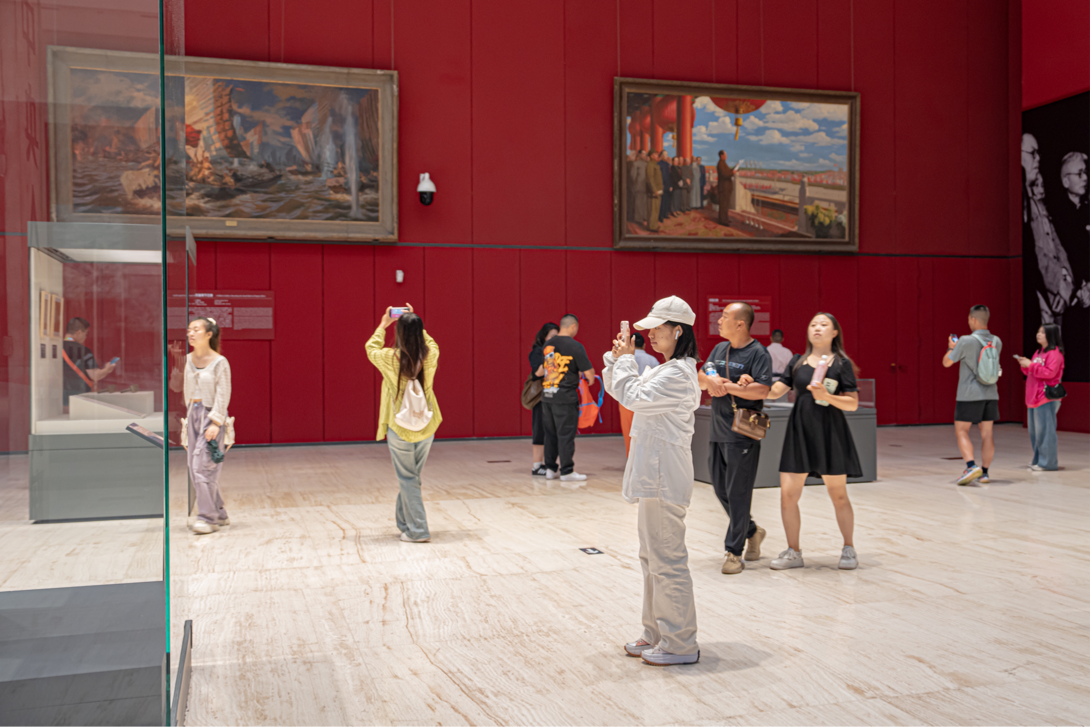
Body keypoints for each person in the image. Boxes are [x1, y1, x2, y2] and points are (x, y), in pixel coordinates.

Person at [602, 296, 702, 666]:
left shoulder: (678, 374)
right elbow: (621, 390)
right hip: (654, 477)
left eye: (658, 327)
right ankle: (657, 632)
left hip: (664, 478)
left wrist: (626, 361)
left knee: (667, 559)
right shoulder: (666, 369)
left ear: (678, 331)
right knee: (652, 558)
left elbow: (634, 396)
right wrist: (616, 360)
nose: (652, 334)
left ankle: (680, 642)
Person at [756, 312, 862, 571]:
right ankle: (793, 551)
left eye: (824, 325)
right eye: (813, 324)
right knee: (788, 496)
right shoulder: (797, 361)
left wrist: (827, 395)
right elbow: (776, 391)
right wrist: (751, 385)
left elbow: (852, 403)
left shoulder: (842, 364)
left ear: (834, 333)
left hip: (831, 433)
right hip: (799, 432)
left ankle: (848, 547)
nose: (817, 328)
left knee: (839, 495)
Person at [698, 302, 772, 575]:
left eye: (725, 316)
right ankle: (752, 530)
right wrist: (713, 381)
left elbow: (761, 390)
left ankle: (733, 551)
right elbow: (701, 377)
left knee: (738, 493)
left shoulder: (758, 353)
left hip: (742, 433)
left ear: (740, 323)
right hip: (718, 430)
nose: (719, 320)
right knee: (720, 489)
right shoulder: (720, 349)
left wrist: (724, 385)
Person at [366, 304, 442, 543]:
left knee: (408, 478)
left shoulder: (389, 358)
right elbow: (429, 342)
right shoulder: (431, 354)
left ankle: (418, 531)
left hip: (400, 426)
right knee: (412, 478)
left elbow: (371, 348)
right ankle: (405, 524)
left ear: (398, 333)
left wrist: (383, 324)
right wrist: (416, 322)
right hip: (426, 425)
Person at [182, 317, 233, 535]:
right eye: (189, 330)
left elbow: (223, 393)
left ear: (209, 334)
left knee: (202, 467)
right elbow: (180, 388)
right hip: (191, 414)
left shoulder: (220, 362)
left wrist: (216, 422)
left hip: (210, 415)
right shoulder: (186, 359)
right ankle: (219, 512)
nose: (191, 333)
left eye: (196, 329)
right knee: (196, 469)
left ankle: (207, 518)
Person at [943, 305, 1002, 485]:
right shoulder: (996, 341)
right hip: (991, 393)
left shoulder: (966, 340)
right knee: (987, 434)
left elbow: (947, 362)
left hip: (969, 393)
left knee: (961, 430)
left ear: (974, 319)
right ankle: (985, 473)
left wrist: (951, 348)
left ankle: (970, 466)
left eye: (969, 319)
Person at [541, 314, 595, 481]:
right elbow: (589, 373)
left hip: (548, 395)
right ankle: (567, 471)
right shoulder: (575, 346)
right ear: (573, 326)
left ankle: (550, 469)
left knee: (550, 434)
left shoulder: (548, 344)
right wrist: (589, 378)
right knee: (565, 434)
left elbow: (550, 368)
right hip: (565, 397)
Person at [1016, 324, 1065, 472]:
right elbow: (1031, 372)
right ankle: (1038, 460)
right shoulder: (1038, 352)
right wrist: (1025, 364)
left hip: (1045, 397)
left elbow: (1049, 373)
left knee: (1045, 432)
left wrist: (1031, 365)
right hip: (1033, 397)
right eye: (1038, 331)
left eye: (1043, 332)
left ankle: (1047, 463)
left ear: (1050, 335)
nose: (1038, 334)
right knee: (1035, 432)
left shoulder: (1054, 354)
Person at [619, 333, 659, 456]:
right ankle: (644, 458)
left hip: (627, 399)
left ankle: (630, 457)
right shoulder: (652, 359)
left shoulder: (624, 358)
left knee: (628, 431)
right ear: (644, 345)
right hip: (646, 400)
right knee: (646, 431)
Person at [62, 317, 116, 407]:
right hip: (79, 397)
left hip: (59, 398)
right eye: (85, 334)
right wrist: (107, 369)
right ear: (79, 332)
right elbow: (95, 375)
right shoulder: (83, 351)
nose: (85, 337)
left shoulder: (56, 348)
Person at [529, 322, 560, 475]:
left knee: (552, 431)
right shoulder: (538, 351)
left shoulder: (560, 352)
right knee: (540, 430)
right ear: (544, 337)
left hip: (555, 395)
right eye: (552, 336)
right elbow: (537, 373)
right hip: (541, 397)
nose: (555, 339)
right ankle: (536, 466)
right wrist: (549, 357)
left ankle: (549, 463)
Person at [646, 150, 663, 232]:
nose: (657, 156)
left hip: (658, 191)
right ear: (651, 156)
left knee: (656, 209)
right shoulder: (650, 165)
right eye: (655, 154)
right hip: (654, 192)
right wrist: (654, 190)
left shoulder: (655, 165)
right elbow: (650, 179)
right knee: (653, 209)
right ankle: (652, 227)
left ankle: (654, 225)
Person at [716, 150, 734, 226]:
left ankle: (725, 219)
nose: (726, 156)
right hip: (723, 188)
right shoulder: (720, 164)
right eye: (725, 154)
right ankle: (723, 221)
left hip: (726, 187)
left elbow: (728, 171)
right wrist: (733, 172)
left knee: (726, 205)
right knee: (723, 204)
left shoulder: (723, 163)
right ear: (721, 155)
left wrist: (734, 169)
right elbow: (725, 174)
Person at [632, 151, 649, 226]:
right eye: (643, 154)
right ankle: (638, 219)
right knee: (639, 204)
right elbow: (633, 177)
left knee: (645, 204)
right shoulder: (636, 164)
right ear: (640, 155)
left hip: (646, 187)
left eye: (645, 154)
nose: (645, 155)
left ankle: (644, 218)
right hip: (639, 187)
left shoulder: (647, 164)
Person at [658, 152, 673, 222]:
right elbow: (659, 176)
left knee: (666, 200)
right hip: (661, 185)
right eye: (665, 155)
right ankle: (660, 216)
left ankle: (665, 214)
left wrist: (670, 185)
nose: (666, 156)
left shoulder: (667, 165)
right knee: (661, 201)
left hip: (667, 185)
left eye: (667, 155)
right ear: (661, 156)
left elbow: (669, 176)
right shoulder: (658, 164)